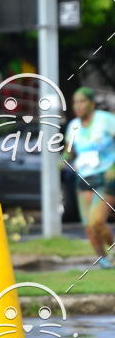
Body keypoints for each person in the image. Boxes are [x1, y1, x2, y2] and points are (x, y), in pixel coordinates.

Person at [65, 87, 115, 268]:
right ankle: (104, 262)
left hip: (107, 177)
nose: (77, 106)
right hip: (84, 179)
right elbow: (68, 151)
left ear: (92, 103)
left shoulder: (105, 120)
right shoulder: (73, 126)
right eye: (75, 102)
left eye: (82, 101)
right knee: (89, 227)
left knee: (97, 221)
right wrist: (63, 159)